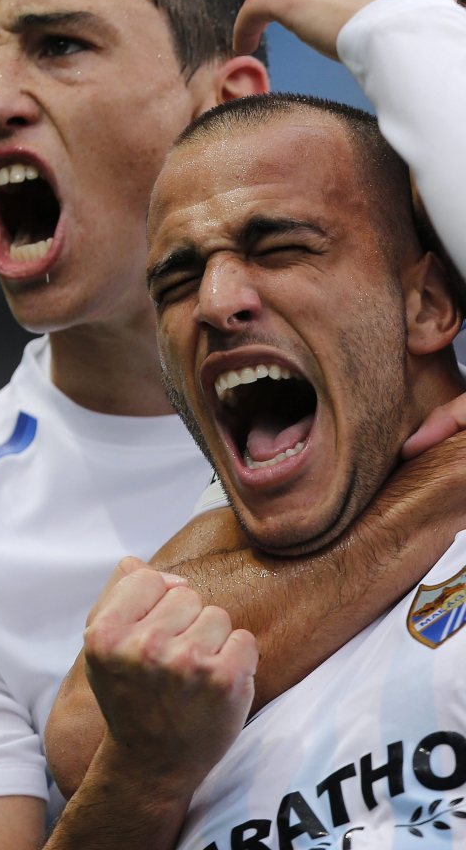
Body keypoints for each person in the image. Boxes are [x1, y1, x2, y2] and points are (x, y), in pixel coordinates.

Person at [0, 0, 463, 847]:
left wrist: (406, 31)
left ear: (230, 96)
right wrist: (138, 772)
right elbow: (86, 737)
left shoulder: (423, 285)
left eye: (60, 46)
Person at [64, 92, 466, 849]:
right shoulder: (176, 694)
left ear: (428, 304)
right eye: (176, 282)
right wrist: (141, 778)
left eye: (279, 247)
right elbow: (78, 731)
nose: (215, 303)